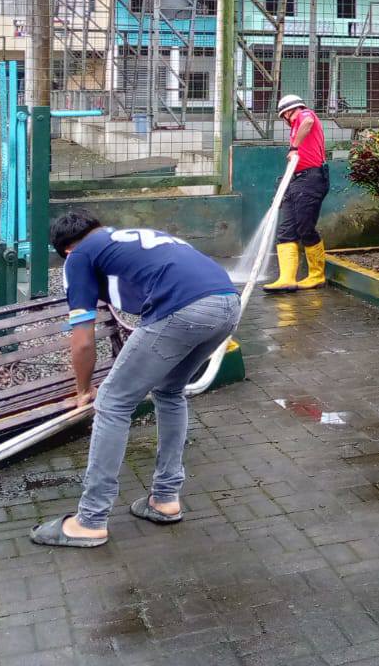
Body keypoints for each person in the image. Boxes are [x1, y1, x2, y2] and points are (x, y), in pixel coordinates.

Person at [29, 211, 240, 548]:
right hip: (227, 302)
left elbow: (82, 340)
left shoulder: (78, 256)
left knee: (112, 403)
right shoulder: (128, 238)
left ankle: (90, 520)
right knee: (169, 390)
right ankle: (165, 499)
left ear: (66, 250)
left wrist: (83, 390)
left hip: (183, 309)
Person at [265, 93, 331, 293]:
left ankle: (316, 276)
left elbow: (308, 122)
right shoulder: (295, 128)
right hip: (296, 180)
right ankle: (286, 279)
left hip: (311, 179)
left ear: (287, 112)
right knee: (286, 230)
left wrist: (294, 147)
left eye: (284, 116)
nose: (285, 120)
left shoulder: (304, 115)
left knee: (305, 228)